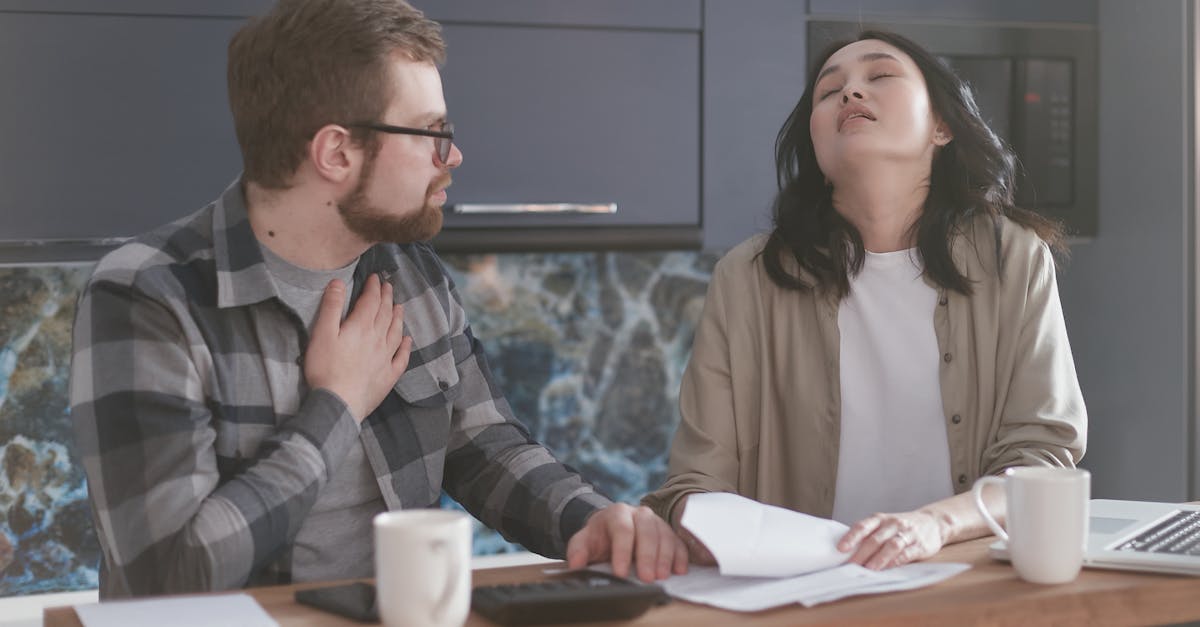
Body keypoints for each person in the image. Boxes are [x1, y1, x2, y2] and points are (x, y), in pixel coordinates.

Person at [70, 0, 685, 598]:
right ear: (336, 152)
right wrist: (336, 406)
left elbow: (484, 446)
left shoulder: (410, 274)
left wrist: (589, 520)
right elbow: (169, 574)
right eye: (430, 133)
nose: (453, 157)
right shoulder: (147, 296)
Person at [642, 30, 1087, 570]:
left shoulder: (1011, 255)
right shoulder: (747, 277)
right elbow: (696, 483)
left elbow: (1041, 452)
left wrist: (934, 524)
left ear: (942, 125)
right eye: (829, 92)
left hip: (961, 582)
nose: (850, 94)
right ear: (815, 142)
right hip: (799, 593)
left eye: (879, 76)